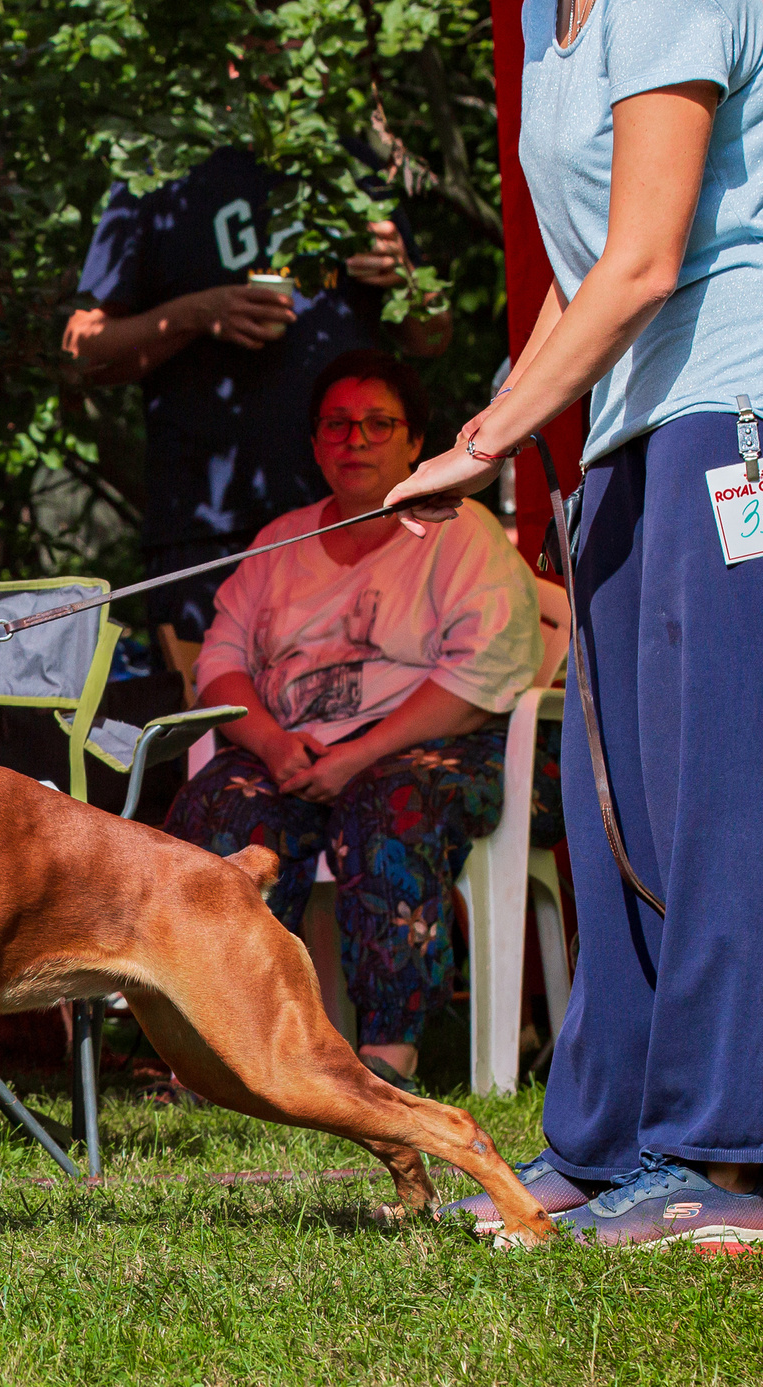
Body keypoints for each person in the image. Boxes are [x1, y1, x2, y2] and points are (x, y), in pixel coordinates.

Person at [395, 0, 763, 1248]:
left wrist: (484, 440)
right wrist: (498, 427)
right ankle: (610, 1136)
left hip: (752, 410)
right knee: (616, 803)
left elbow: (650, 259)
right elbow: (578, 271)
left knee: (731, 788)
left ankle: (729, 1160)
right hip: (640, 420)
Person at [165, 350, 542, 1085]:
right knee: (218, 804)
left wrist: (358, 755)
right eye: (337, 425)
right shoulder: (279, 543)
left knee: (387, 803)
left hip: (430, 747)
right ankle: (221, 1053)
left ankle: (386, 1060)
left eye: (378, 424)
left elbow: (481, 674)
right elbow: (219, 663)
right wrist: (274, 746)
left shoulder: (460, 533)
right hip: (293, 752)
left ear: (415, 441)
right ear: (315, 444)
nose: (356, 440)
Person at [60, 147, 449, 653]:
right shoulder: (160, 168)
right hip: (211, 524)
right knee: (208, 696)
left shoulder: (344, 159)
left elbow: (432, 338)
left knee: (354, 692)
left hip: (351, 515)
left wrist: (407, 279)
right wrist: (198, 314)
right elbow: (81, 351)